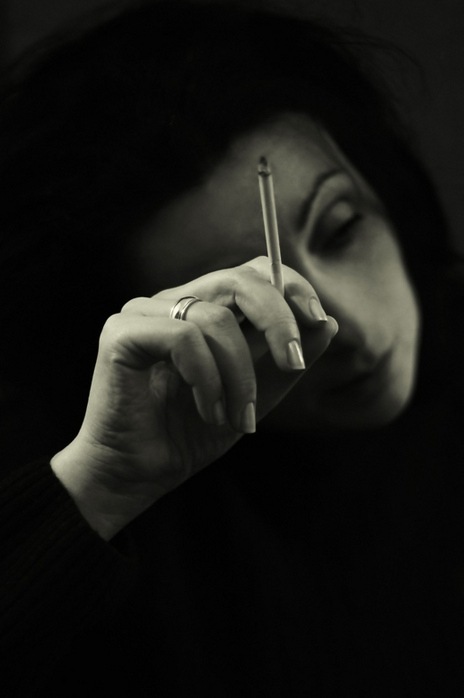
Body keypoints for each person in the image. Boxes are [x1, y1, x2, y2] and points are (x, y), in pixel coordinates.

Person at [1, 0, 464, 695]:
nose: (342, 327)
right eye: (246, 312)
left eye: (341, 228)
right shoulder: (140, 529)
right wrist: (101, 488)